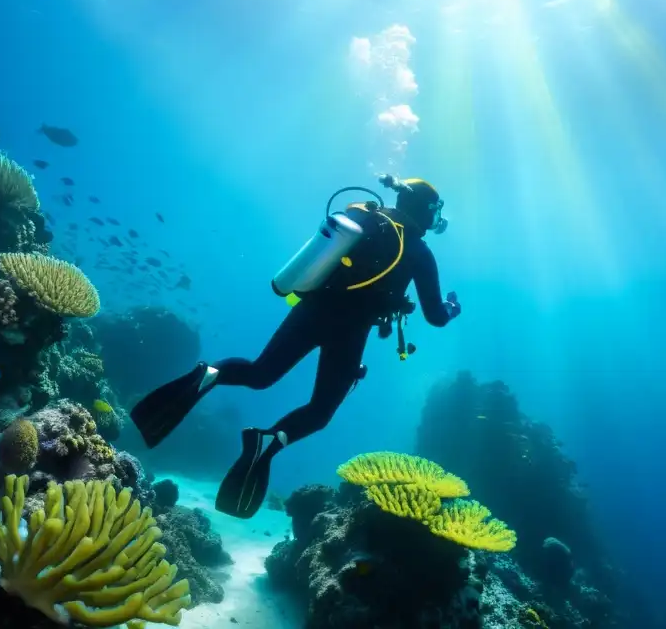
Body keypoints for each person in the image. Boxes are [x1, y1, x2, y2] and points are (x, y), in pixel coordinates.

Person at [131, 175, 462, 518]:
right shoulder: (421, 253)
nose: (436, 219)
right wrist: (453, 307)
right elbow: (436, 317)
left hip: (312, 309)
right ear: (424, 210)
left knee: (261, 373)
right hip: (350, 331)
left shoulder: (365, 216)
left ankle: (208, 375)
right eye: (435, 211)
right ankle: (268, 442)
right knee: (319, 412)